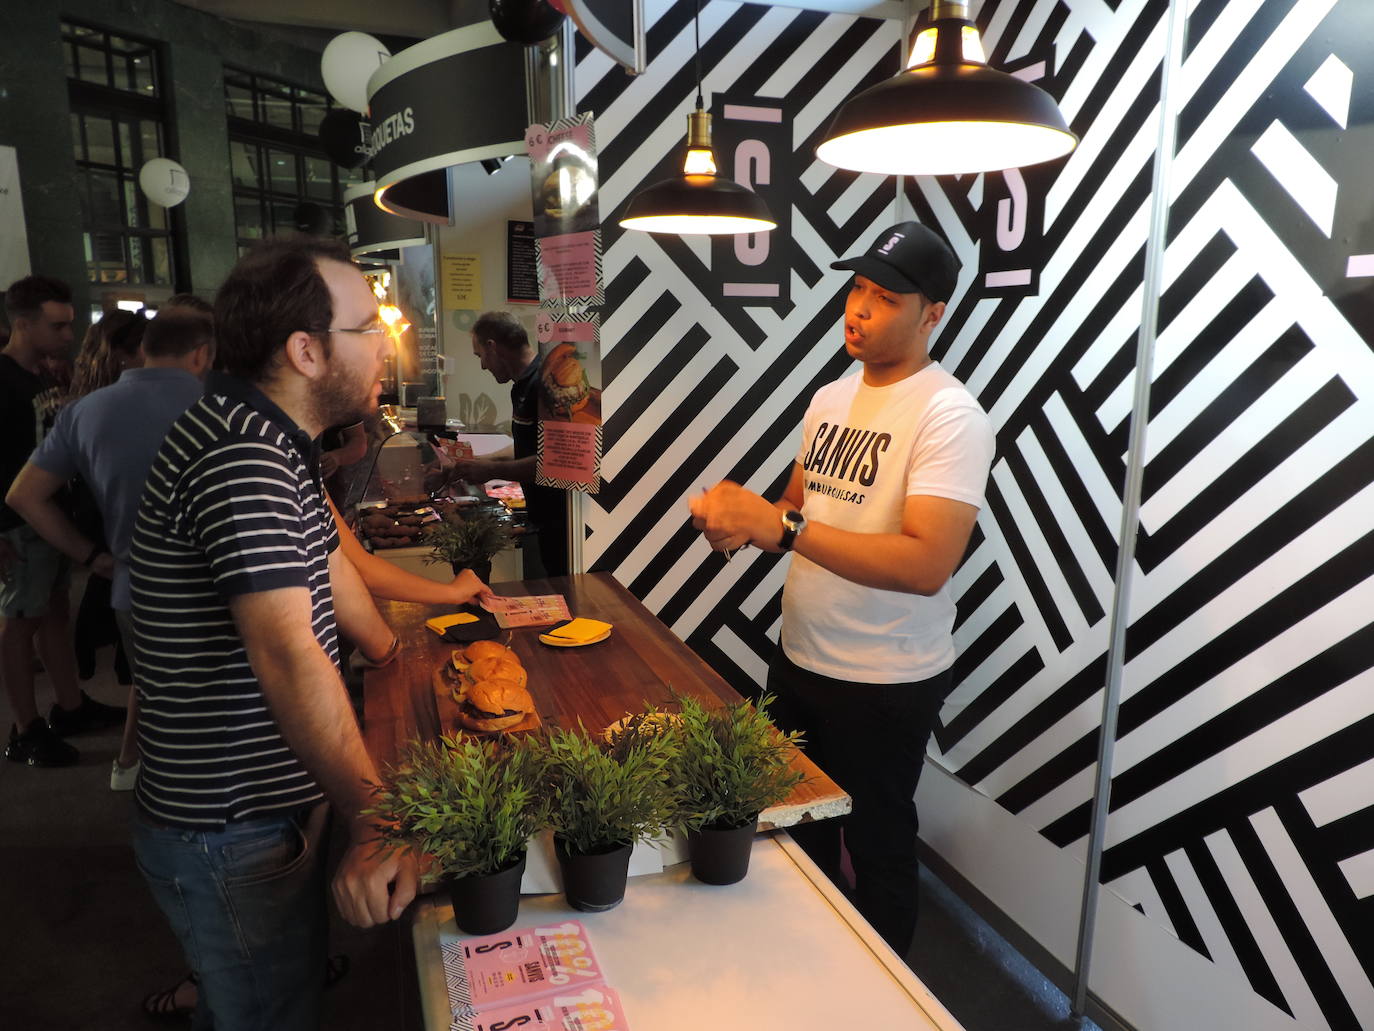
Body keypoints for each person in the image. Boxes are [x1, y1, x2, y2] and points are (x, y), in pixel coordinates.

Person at [126, 237, 420, 1031]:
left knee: (276, 986)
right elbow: (289, 655)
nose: (386, 342)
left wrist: (402, 659)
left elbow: (333, 570)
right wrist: (376, 817)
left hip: (258, 813)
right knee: (264, 1013)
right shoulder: (242, 455)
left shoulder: (270, 438)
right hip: (232, 825)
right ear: (306, 350)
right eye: (370, 327)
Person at [690, 222, 995, 956]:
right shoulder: (830, 397)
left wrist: (781, 530)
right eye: (856, 288)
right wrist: (739, 525)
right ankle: (817, 968)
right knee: (801, 829)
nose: (857, 308)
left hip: (885, 677)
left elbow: (927, 565)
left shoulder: (948, 414)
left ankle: (888, 996)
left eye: (884, 297)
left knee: (880, 841)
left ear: (932, 315)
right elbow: (800, 510)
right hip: (802, 657)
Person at [7, 305, 214, 790]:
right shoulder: (221, 402)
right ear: (203, 354)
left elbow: (24, 495)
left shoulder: (85, 409)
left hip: (134, 583)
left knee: (155, 691)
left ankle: (140, 776)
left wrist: (89, 555)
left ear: (143, 350)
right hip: (216, 583)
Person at [2, 275, 123, 768]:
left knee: (52, 612)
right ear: (24, 324)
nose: (68, 336)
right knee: (21, 621)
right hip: (16, 522)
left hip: (44, 516)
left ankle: (69, 706)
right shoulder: (5, 380)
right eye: (57, 326)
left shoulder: (38, 378)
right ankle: (25, 728)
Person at [433, 311, 568, 577]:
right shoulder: (521, 386)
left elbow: (555, 464)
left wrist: (490, 470)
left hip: (563, 521)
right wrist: (481, 463)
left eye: (479, 355)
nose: (483, 365)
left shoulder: (546, 384)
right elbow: (528, 446)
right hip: (542, 517)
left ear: (492, 347)